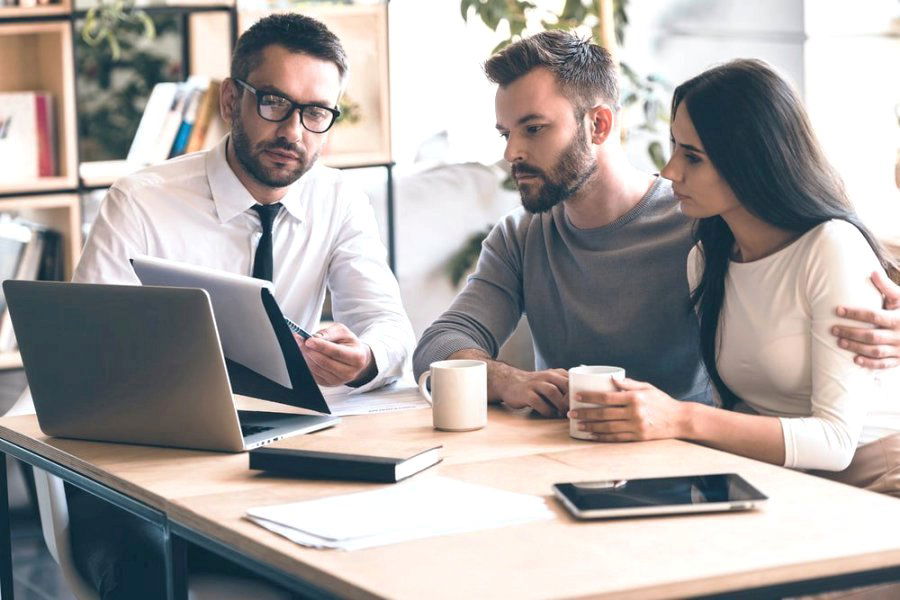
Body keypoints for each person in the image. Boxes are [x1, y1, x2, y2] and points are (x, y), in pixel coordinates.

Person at [67, 13, 414, 597]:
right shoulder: (141, 202)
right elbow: (84, 355)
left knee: (375, 556)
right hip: (140, 460)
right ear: (232, 99)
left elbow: (390, 325)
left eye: (316, 113)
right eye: (275, 103)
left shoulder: (340, 201)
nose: (294, 132)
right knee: (150, 572)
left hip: (274, 457)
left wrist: (367, 356)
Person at [413, 30, 900, 418]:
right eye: (506, 133)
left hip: (695, 468)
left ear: (599, 125)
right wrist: (508, 379)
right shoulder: (520, 237)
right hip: (567, 464)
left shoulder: (703, 218)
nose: (512, 153)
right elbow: (438, 345)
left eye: (534, 129)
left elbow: (818, 244)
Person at [570, 59, 900, 496]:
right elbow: (739, 411)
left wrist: (680, 418)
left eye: (692, 157)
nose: (670, 172)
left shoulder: (830, 247)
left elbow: (836, 444)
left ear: (751, 161)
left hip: (876, 481)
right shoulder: (707, 259)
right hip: (779, 482)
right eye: (674, 148)